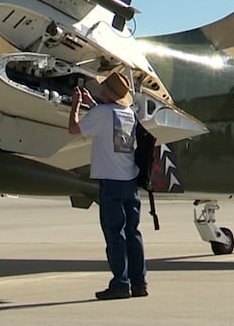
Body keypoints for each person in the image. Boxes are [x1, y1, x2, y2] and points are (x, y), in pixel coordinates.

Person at [68, 72, 148, 300]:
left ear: (106, 93)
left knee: (115, 234)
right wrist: (92, 105)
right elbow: (110, 123)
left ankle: (120, 283)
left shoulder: (101, 114)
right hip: (130, 181)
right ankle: (139, 282)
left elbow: (74, 129)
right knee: (133, 233)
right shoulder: (129, 113)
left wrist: (75, 106)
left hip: (111, 182)